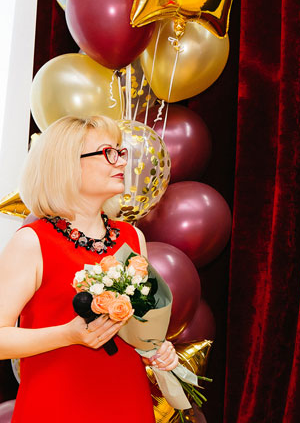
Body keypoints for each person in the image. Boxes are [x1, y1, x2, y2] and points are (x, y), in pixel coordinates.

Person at [0, 115, 179, 423]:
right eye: (109, 152)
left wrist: (157, 349)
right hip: (56, 406)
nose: (122, 161)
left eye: (121, 151)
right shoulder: (32, 241)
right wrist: (68, 335)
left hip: (128, 402)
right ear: (67, 164)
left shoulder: (132, 237)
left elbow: (138, 326)